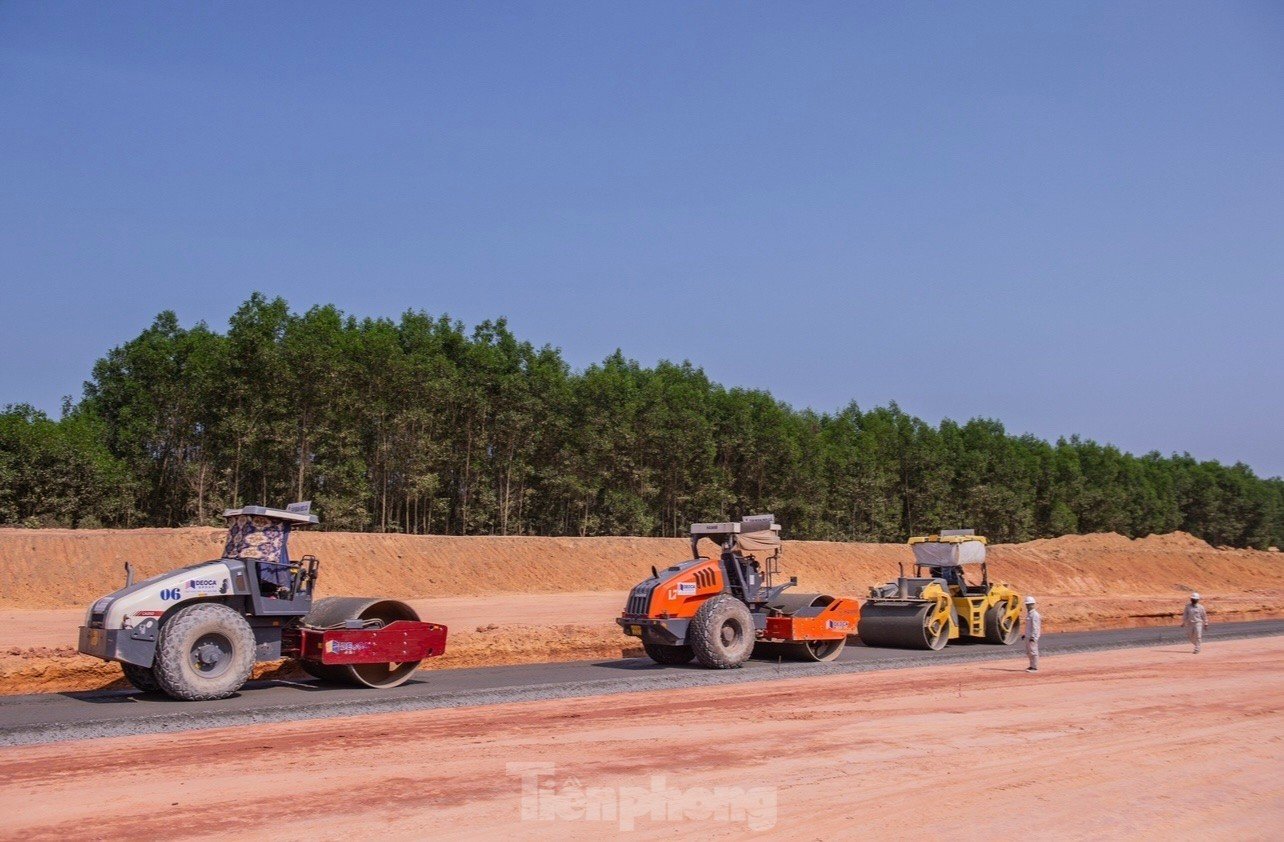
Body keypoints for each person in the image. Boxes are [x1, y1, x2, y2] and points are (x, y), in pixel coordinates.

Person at [1021, 595, 1041, 672]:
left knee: (1033, 651)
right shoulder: (1029, 614)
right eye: (1027, 604)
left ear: (1033, 604)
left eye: (1029, 604)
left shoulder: (1035, 615)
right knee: (1029, 652)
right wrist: (1025, 635)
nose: (1027, 606)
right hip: (1028, 636)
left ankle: (1034, 667)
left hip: (1032, 637)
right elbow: (1029, 627)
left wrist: (1033, 637)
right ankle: (1031, 666)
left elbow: (1036, 627)